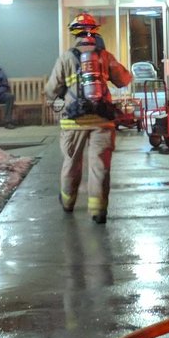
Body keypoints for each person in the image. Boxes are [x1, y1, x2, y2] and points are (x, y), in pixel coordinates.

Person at [45, 12, 132, 224]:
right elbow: (124, 80)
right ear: (94, 32)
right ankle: (98, 211)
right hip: (102, 120)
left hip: (73, 122)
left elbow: (51, 90)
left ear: (75, 34)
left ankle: (67, 202)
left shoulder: (66, 57)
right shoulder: (104, 55)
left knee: (71, 163)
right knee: (100, 165)